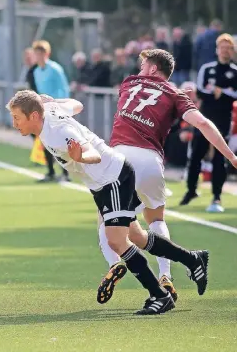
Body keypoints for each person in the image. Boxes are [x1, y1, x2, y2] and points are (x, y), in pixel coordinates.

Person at [7, 90, 210, 315]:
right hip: (103, 183)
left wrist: (80, 157)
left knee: (116, 241)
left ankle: (159, 295)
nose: (14, 123)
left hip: (113, 178)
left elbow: (95, 154)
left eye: (17, 117)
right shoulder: (50, 113)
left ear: (33, 115)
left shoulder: (58, 131)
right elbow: (77, 105)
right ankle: (193, 259)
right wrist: (55, 102)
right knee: (137, 237)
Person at [97, 48, 237, 304]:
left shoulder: (128, 82)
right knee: (155, 218)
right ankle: (165, 275)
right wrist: (231, 157)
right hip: (150, 160)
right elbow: (204, 124)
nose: (140, 70)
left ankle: (114, 263)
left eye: (143, 66)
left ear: (151, 69)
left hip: (117, 158)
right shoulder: (176, 94)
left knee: (108, 218)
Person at [181, 34, 237, 212]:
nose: (225, 50)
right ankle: (191, 190)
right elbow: (200, 92)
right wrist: (219, 92)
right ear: (217, 49)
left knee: (220, 158)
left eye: (228, 47)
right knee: (196, 154)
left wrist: (222, 92)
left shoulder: (234, 72)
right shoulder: (207, 68)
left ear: (232, 50)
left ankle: (217, 196)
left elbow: (234, 94)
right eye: (222, 47)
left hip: (223, 119)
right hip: (204, 118)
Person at [32, 40, 71, 183]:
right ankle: (51, 171)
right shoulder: (36, 71)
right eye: (36, 54)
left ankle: (66, 174)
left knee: (61, 141)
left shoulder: (55, 69)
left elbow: (64, 88)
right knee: (45, 140)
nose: (39, 56)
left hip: (57, 109)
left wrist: (62, 107)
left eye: (41, 53)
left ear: (47, 54)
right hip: (44, 110)